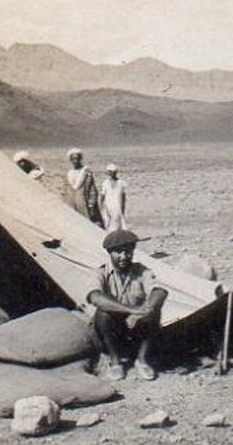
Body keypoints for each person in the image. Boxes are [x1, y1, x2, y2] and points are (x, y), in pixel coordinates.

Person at [85, 229, 167, 381]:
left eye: (128, 252)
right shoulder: (100, 273)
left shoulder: (141, 271)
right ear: (109, 253)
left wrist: (148, 309)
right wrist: (132, 311)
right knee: (103, 314)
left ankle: (142, 361)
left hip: (135, 330)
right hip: (110, 332)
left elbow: (160, 291)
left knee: (154, 311)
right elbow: (95, 297)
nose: (123, 257)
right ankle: (115, 362)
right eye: (118, 252)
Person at [66, 148, 103, 226]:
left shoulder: (86, 171)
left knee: (89, 223)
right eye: (73, 159)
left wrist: (91, 204)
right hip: (73, 202)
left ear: (80, 159)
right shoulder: (70, 173)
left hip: (85, 202)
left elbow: (92, 190)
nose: (75, 161)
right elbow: (69, 189)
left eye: (77, 158)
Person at [99, 163, 128, 231]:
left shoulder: (121, 183)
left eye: (114, 172)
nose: (112, 173)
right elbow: (102, 195)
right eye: (110, 172)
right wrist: (101, 206)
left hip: (117, 205)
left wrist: (123, 207)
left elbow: (123, 197)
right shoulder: (105, 183)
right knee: (108, 220)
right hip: (108, 204)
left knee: (118, 221)